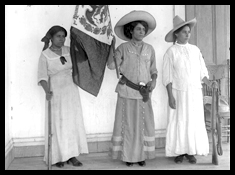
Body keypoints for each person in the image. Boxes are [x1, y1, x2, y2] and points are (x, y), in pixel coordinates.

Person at [107, 10, 158, 167]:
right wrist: (112, 49)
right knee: (127, 124)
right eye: (138, 29)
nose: (141, 32)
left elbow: (153, 70)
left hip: (144, 93)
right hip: (126, 91)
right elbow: (111, 66)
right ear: (131, 30)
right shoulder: (123, 48)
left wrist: (154, 81)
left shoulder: (150, 49)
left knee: (143, 124)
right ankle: (128, 156)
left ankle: (141, 156)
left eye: (143, 29)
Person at [162, 16, 213, 164]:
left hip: (194, 93)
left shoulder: (195, 50)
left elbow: (202, 72)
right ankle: (179, 151)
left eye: (189, 32)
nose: (187, 34)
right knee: (179, 120)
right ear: (176, 34)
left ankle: (191, 151)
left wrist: (210, 83)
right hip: (179, 92)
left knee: (193, 121)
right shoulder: (171, 52)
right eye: (184, 32)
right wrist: (170, 96)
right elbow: (167, 77)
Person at [38, 25, 89, 168]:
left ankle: (72, 155)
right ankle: (58, 156)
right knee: (58, 124)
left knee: (71, 123)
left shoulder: (69, 51)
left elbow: (82, 63)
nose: (61, 39)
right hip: (56, 92)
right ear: (52, 37)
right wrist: (47, 91)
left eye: (63, 36)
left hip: (71, 91)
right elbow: (42, 76)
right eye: (58, 36)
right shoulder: (45, 55)